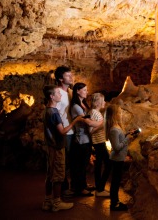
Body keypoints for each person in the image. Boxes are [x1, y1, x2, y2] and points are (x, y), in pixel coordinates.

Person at [42, 85, 82, 212]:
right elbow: (62, 131)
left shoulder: (46, 110)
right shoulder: (54, 113)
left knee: (50, 174)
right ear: (51, 96)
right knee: (58, 175)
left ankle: (47, 201)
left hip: (50, 146)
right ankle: (57, 202)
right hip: (58, 146)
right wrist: (75, 121)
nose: (60, 95)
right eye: (58, 94)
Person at [70, 82, 102, 196]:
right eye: (84, 90)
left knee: (84, 164)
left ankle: (83, 184)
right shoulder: (76, 107)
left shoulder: (83, 104)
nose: (87, 92)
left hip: (86, 138)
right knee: (80, 165)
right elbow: (88, 121)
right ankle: (79, 188)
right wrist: (101, 122)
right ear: (77, 91)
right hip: (81, 139)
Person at [104, 104, 134, 211]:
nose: (121, 114)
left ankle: (116, 202)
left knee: (116, 181)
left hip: (119, 158)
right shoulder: (114, 130)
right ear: (114, 115)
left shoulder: (116, 127)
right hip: (116, 159)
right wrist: (127, 139)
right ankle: (114, 204)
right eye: (120, 112)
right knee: (115, 182)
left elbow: (119, 140)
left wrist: (126, 134)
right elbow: (116, 147)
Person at [54, 65, 74, 197]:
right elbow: (53, 112)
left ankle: (68, 186)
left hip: (71, 131)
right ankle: (62, 189)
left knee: (69, 160)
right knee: (62, 161)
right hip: (63, 132)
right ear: (61, 79)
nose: (71, 77)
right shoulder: (57, 93)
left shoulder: (69, 93)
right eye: (67, 75)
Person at [88, 93, 111, 197]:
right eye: (103, 100)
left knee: (99, 164)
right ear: (97, 102)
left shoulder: (96, 112)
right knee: (108, 164)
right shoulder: (94, 113)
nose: (105, 102)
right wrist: (101, 125)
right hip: (98, 142)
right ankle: (100, 188)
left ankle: (99, 188)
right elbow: (90, 130)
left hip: (100, 141)